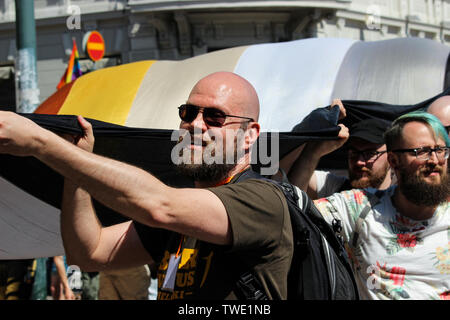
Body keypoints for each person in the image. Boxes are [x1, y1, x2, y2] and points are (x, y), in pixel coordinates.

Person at [0, 72, 292, 300]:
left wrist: (42, 144)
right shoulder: (185, 206)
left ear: (250, 135)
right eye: (189, 113)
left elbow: (159, 206)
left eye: (215, 117)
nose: (196, 125)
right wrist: (76, 167)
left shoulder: (262, 198)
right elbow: (88, 254)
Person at [313, 111, 450, 300]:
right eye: (422, 152)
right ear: (394, 160)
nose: (434, 160)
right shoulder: (356, 207)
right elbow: (289, 208)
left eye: (440, 150)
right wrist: (313, 144)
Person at [282, 99, 392, 199]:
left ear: (392, 157)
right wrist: (314, 151)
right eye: (354, 153)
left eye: (370, 153)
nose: (359, 161)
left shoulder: (403, 201)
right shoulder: (334, 188)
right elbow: (291, 190)